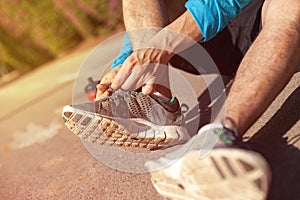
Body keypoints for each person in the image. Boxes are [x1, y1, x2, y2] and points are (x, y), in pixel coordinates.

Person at [62, 0, 299, 199]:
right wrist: (127, 62)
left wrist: (164, 42)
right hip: (212, 37)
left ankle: (218, 137)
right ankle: (156, 100)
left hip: (275, 24)